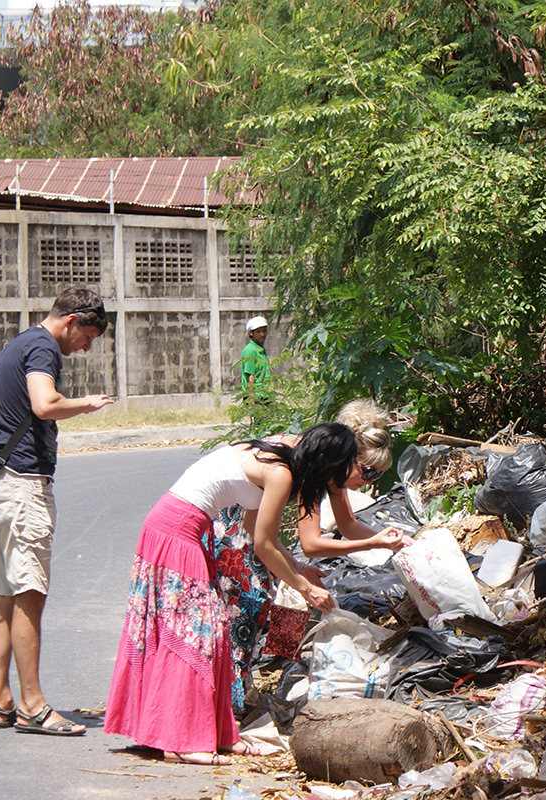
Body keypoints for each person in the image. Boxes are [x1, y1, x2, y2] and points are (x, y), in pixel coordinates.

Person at [104, 422, 385, 765]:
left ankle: (219, 734)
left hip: (189, 529)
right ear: (325, 459)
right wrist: (305, 587)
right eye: (346, 468)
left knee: (216, 631)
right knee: (198, 634)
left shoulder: (282, 460)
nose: (343, 479)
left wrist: (297, 568)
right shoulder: (281, 472)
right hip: (176, 529)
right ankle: (178, 740)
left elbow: (255, 532)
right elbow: (265, 546)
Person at [211, 399, 407, 713]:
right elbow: (312, 543)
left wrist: (393, 541)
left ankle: (258, 676)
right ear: (346, 456)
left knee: (276, 588)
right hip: (233, 519)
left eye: (376, 476)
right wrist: (375, 544)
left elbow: (348, 525)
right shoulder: (315, 465)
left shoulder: (336, 469)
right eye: (367, 472)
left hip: (250, 520)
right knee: (251, 598)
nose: (366, 483)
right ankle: (238, 691)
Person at [0, 288, 114, 736]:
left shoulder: (15, 345)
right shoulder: (41, 348)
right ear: (72, 321)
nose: (86, 347)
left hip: (0, 487)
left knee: (6, 593)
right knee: (30, 596)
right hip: (24, 488)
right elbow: (44, 404)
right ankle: (32, 707)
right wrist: (87, 404)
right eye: (88, 336)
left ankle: (1, 702)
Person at [240, 316, 271, 402]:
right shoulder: (250, 350)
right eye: (258, 332)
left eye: (264, 331)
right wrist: (252, 402)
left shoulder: (260, 349)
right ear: (251, 333)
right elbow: (250, 377)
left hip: (265, 395)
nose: (262, 334)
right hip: (257, 397)